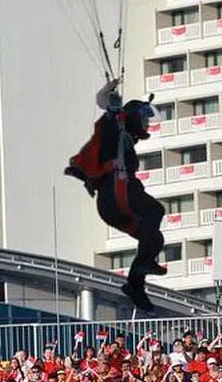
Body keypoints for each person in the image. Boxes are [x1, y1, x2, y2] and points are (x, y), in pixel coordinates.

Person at [66, 78, 165, 311]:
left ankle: (135, 284)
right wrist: (109, 95)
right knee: (155, 210)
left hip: (115, 202)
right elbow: (105, 106)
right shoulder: (115, 128)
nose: (146, 125)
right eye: (143, 120)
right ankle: (143, 264)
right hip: (116, 196)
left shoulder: (126, 137)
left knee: (154, 239)